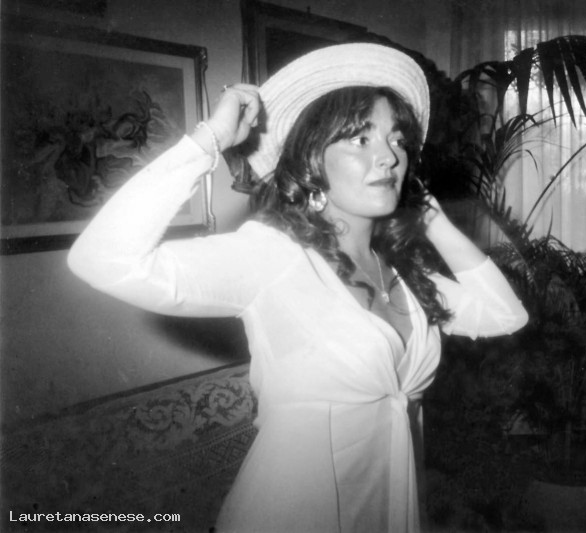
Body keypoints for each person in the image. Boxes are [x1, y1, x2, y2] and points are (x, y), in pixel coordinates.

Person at [68, 43, 528, 533]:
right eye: (359, 139)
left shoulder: (402, 272)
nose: (389, 157)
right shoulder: (273, 256)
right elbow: (101, 259)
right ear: (312, 159)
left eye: (397, 140)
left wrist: (428, 214)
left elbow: (505, 315)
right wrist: (210, 139)